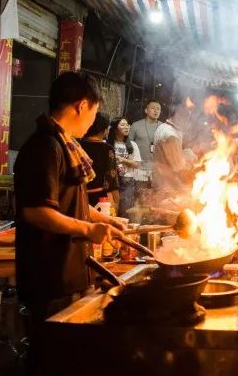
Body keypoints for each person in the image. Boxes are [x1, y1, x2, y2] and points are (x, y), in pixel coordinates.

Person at [14, 72, 126, 372]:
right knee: (51, 359)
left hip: (70, 273)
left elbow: (72, 204)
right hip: (50, 276)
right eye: (93, 112)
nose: (93, 120)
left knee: (71, 357)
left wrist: (107, 221)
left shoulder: (66, 146)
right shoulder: (45, 147)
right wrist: (90, 230)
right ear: (81, 105)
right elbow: (36, 212)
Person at [151, 105, 197, 191]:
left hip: (160, 180)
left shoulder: (163, 126)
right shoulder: (171, 134)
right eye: (186, 119)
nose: (188, 123)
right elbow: (177, 165)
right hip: (167, 185)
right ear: (179, 116)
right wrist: (190, 158)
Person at [80, 113, 120, 210]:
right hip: (101, 199)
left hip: (80, 196)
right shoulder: (108, 149)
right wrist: (116, 203)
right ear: (104, 129)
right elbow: (112, 177)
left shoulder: (78, 145)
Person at [107, 117, 142, 216]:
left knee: (124, 212)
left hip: (126, 182)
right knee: (111, 212)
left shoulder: (132, 145)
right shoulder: (108, 144)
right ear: (114, 128)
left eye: (127, 125)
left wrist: (123, 160)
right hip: (111, 181)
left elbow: (137, 164)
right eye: (122, 125)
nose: (126, 127)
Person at [129, 99, 163, 180]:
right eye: (153, 108)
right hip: (139, 169)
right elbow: (128, 146)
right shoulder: (136, 125)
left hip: (158, 170)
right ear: (146, 110)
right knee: (140, 192)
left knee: (156, 193)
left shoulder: (163, 127)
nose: (156, 111)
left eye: (158, 109)